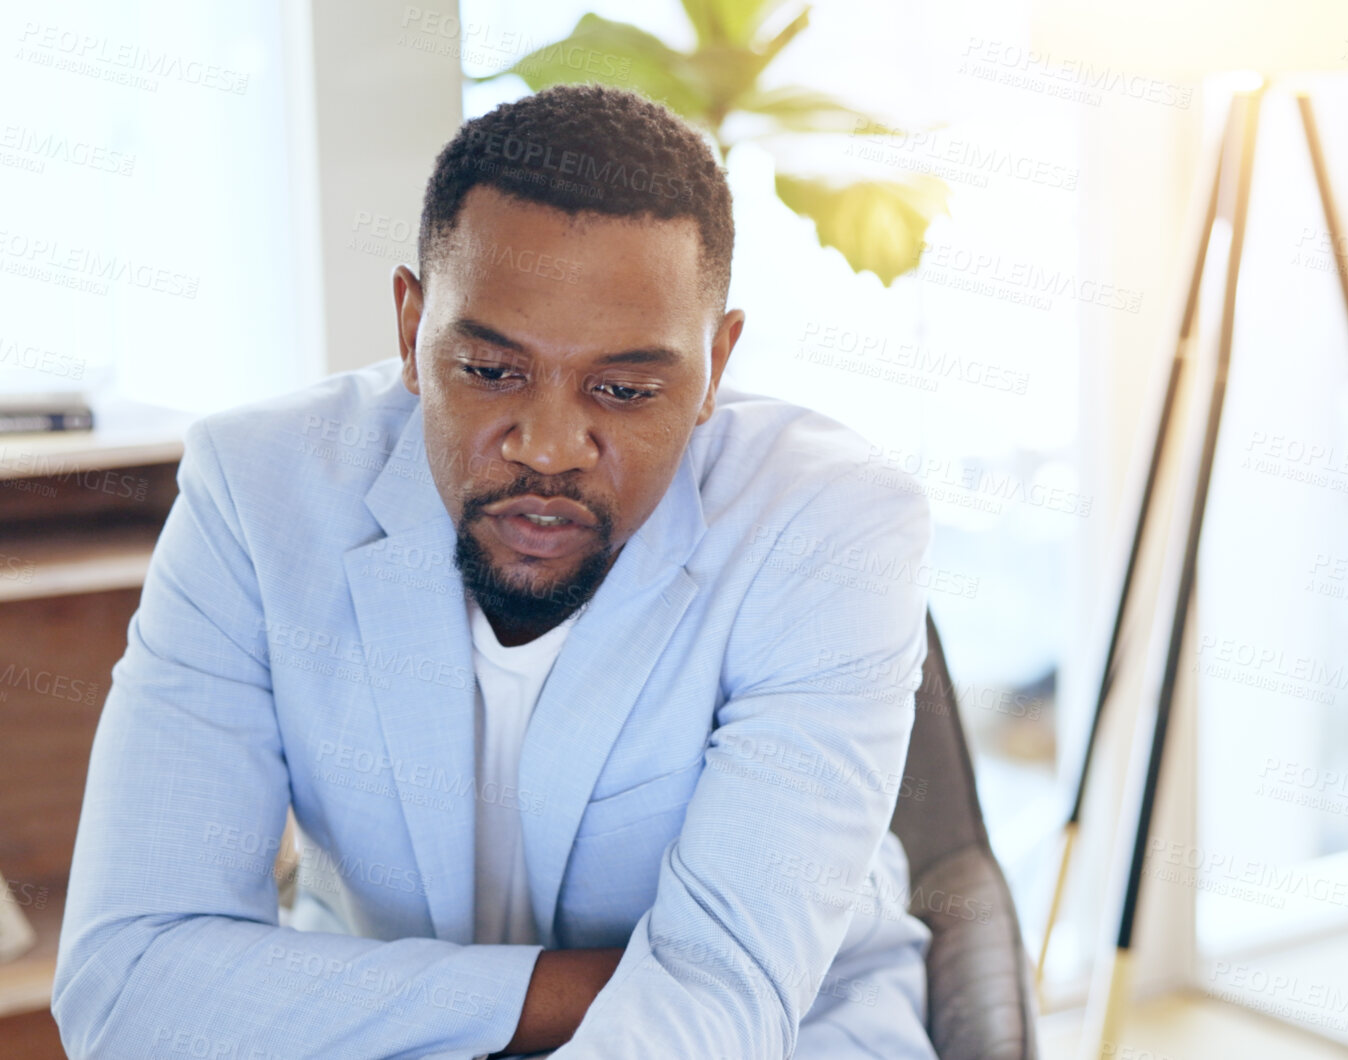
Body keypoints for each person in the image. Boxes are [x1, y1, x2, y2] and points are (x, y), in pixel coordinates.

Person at [52, 84, 938, 1059]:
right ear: (410, 329)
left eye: (625, 388)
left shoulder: (829, 524)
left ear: (715, 366)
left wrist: (680, 977)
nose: (549, 446)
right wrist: (595, 984)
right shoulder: (258, 496)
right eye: (491, 371)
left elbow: (717, 1008)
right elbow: (128, 981)